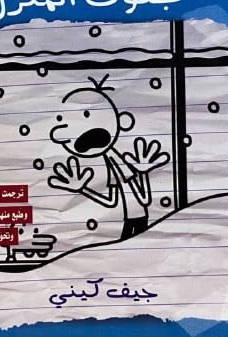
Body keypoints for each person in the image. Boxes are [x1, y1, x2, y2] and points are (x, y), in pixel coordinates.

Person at [48, 75, 169, 239]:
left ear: (122, 121)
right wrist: (82, 189)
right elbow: (111, 201)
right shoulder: (113, 165)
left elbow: (144, 199)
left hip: (139, 220)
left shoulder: (123, 165)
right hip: (130, 220)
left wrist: (143, 173)